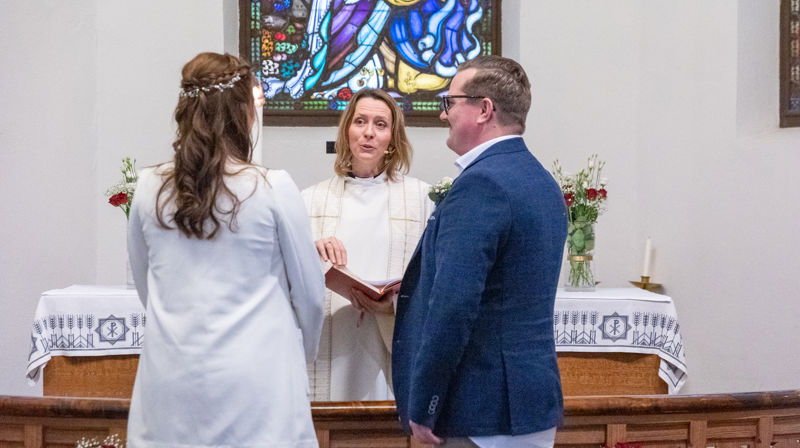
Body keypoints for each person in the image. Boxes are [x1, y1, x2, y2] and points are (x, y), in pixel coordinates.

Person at [126, 52, 324, 448]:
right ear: (244, 114)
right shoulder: (272, 187)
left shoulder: (149, 186)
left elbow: (145, 283)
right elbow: (310, 294)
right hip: (257, 376)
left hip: (172, 375)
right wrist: (304, 353)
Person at [392, 55, 568, 447]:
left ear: (483, 109)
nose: (443, 115)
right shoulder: (542, 182)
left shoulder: (482, 185)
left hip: (480, 409)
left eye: (450, 102)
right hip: (529, 404)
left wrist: (425, 406)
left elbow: (453, 306)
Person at [302, 88, 435, 401]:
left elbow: (435, 274)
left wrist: (394, 300)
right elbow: (288, 270)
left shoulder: (421, 199)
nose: (368, 133)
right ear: (347, 129)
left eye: (380, 125)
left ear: (393, 137)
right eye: (360, 121)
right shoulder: (311, 200)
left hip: (391, 335)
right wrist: (315, 251)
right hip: (335, 338)